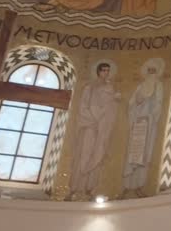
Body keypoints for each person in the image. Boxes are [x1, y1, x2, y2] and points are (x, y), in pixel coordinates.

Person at [69, 62, 121, 197]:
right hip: (90, 126)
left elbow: (110, 109)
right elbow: (83, 107)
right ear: (98, 72)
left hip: (102, 128)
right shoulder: (90, 88)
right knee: (84, 155)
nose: (106, 73)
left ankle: (90, 188)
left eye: (108, 71)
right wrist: (93, 121)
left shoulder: (110, 89)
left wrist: (114, 101)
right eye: (103, 70)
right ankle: (77, 187)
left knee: (98, 154)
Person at [123, 59, 164, 196]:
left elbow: (158, 103)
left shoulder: (158, 86)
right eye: (149, 71)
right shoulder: (140, 87)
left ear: (157, 73)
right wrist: (136, 105)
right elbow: (131, 104)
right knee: (132, 155)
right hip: (137, 124)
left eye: (153, 71)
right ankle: (127, 186)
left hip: (149, 124)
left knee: (144, 155)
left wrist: (151, 115)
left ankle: (140, 186)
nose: (151, 74)